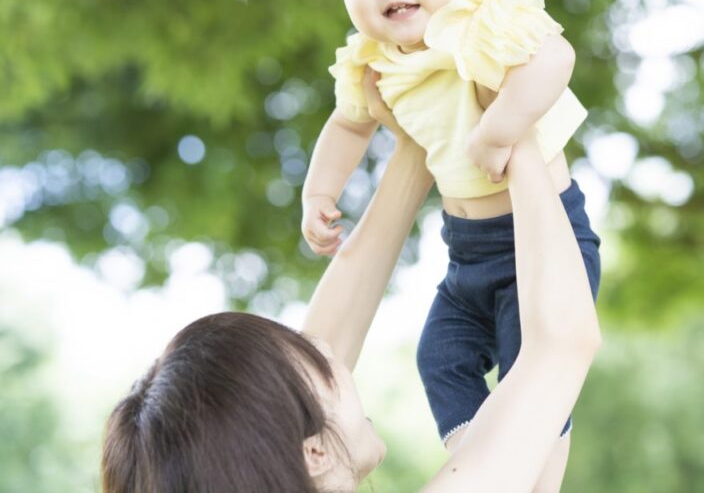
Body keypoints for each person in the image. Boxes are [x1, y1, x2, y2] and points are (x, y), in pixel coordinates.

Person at [101, 70, 603, 492]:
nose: (333, 358)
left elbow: (324, 350)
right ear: (314, 451)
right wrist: (512, 132)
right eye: (320, 364)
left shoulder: (304, 443)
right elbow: (561, 341)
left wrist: (418, 134)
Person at [300, 0, 600, 486]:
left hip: (538, 239)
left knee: (531, 361)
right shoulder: (372, 61)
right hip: (465, 251)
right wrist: (319, 193)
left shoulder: (482, 16)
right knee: (440, 355)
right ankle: (484, 451)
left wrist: (500, 130)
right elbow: (349, 124)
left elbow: (555, 59)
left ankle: (535, 468)